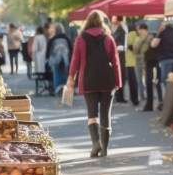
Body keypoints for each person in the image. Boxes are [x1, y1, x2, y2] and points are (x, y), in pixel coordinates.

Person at [67, 10, 121, 158]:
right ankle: (104, 149)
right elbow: (115, 62)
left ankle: (95, 143)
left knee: (92, 114)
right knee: (105, 113)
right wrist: (118, 81)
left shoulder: (81, 39)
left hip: (88, 80)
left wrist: (71, 77)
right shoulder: (108, 39)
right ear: (101, 22)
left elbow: (75, 61)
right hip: (106, 80)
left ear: (87, 22)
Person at [151, 21, 173, 111]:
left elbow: (153, 45)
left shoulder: (162, 32)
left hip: (166, 59)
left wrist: (158, 33)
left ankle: (168, 102)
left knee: (167, 81)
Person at [137, 22, 162, 112]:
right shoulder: (153, 36)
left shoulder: (149, 37)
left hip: (149, 61)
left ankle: (152, 103)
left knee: (151, 82)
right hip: (154, 60)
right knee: (155, 82)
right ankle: (159, 102)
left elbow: (137, 48)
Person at [47, 22, 72, 95]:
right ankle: (66, 89)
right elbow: (71, 49)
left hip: (55, 59)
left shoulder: (53, 39)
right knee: (65, 73)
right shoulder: (67, 39)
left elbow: (48, 51)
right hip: (66, 59)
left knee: (56, 73)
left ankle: (57, 88)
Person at [111, 16, 129, 104]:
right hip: (120, 54)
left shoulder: (120, 29)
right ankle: (119, 96)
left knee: (120, 75)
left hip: (119, 54)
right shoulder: (122, 29)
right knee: (120, 75)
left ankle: (119, 96)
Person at [125, 25, 140, 105]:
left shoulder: (128, 34)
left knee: (131, 82)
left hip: (128, 60)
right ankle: (135, 99)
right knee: (134, 81)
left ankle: (133, 98)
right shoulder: (133, 34)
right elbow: (133, 46)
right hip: (133, 60)